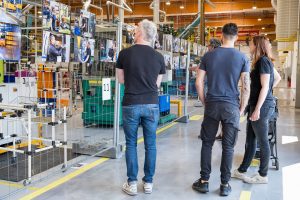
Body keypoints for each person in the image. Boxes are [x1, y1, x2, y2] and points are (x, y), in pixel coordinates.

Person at [193, 23, 250, 196]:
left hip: (212, 104)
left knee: (207, 143)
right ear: (237, 37)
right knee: (228, 147)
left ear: (221, 35)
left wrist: (204, 101)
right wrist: (241, 108)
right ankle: (225, 185)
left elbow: (198, 82)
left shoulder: (209, 56)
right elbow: (246, 86)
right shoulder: (242, 58)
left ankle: (204, 181)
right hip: (231, 106)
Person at [116, 19, 166, 196]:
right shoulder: (159, 57)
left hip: (131, 103)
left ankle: (132, 183)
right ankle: (148, 183)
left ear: (140, 33)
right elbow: (157, 84)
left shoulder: (124, 54)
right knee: (150, 145)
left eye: (136, 29)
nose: (134, 32)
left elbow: (121, 80)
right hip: (151, 104)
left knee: (131, 143)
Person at [232, 36, 281, 184]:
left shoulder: (264, 61)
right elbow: (277, 78)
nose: (249, 45)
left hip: (262, 106)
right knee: (251, 140)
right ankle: (242, 170)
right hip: (256, 104)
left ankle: (262, 175)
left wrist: (259, 107)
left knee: (262, 141)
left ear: (256, 45)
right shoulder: (261, 61)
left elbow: (266, 86)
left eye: (251, 43)